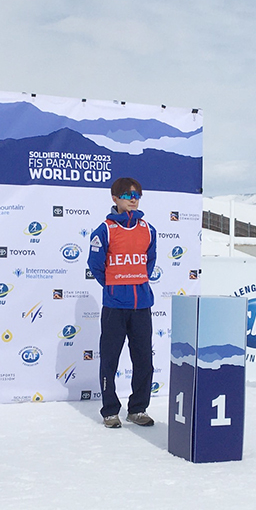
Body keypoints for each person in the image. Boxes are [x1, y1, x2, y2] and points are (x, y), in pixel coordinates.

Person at [87, 177, 157, 428]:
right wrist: (115, 286)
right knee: (110, 360)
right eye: (127, 195)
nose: (133, 198)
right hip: (115, 307)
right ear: (115, 198)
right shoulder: (104, 230)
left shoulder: (149, 229)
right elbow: (95, 266)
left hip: (141, 305)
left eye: (137, 194)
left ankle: (138, 409)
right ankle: (110, 411)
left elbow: (149, 263)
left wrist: (134, 283)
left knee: (143, 361)